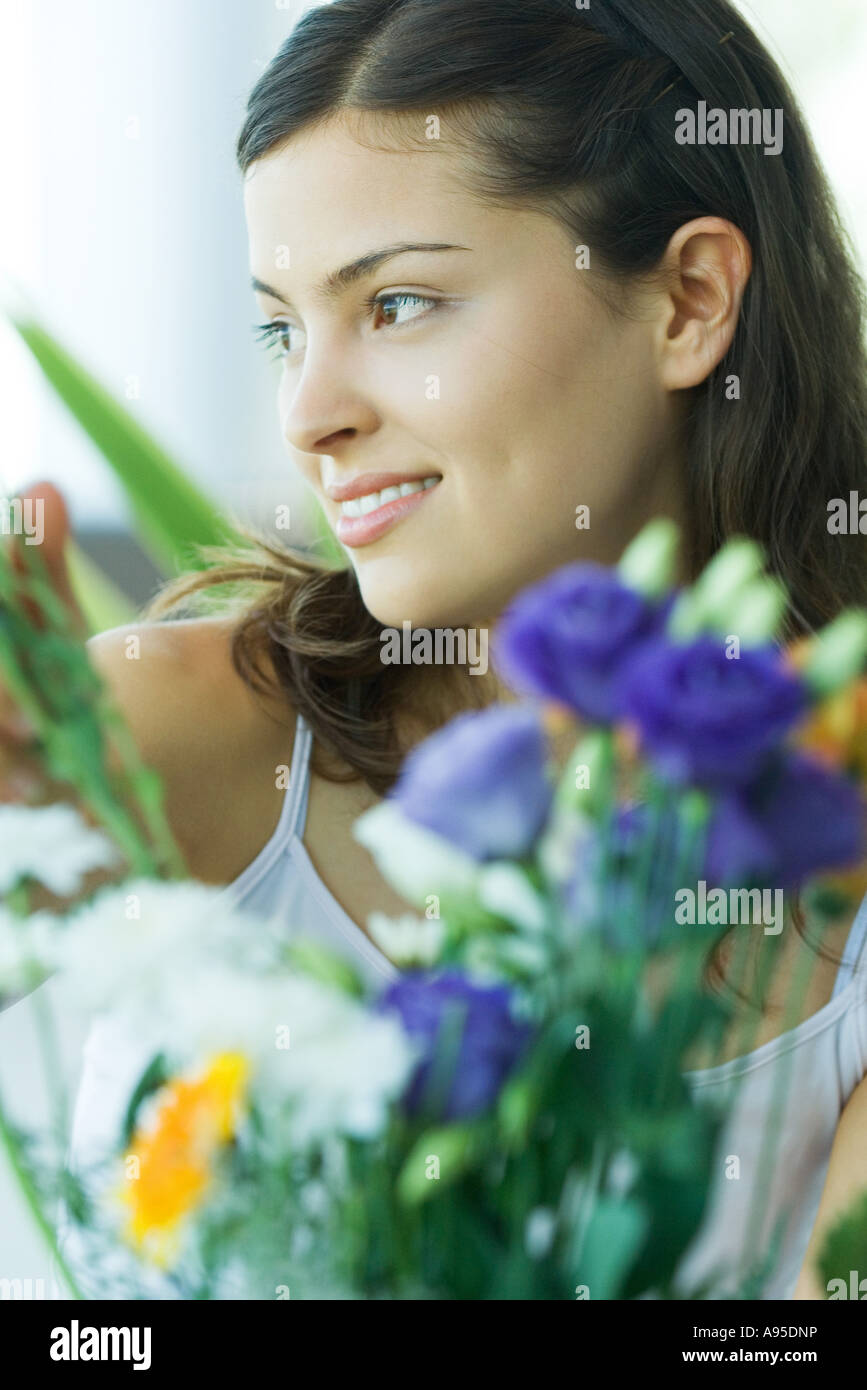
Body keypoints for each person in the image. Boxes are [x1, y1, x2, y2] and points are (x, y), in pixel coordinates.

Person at [3, 0, 867, 1299]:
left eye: (398, 303)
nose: (310, 414)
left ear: (689, 301)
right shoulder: (172, 732)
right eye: (280, 328)